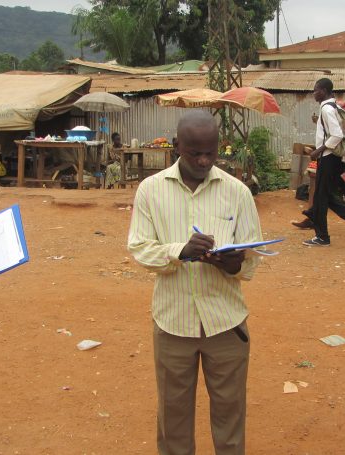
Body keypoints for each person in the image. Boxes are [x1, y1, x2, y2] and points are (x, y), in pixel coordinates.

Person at [128, 111, 263, 455]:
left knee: (230, 415)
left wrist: (233, 264)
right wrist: (180, 251)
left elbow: (252, 258)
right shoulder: (150, 191)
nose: (203, 160)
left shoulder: (237, 192)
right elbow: (140, 248)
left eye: (210, 152)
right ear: (177, 146)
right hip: (173, 323)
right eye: (194, 153)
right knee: (172, 417)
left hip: (226, 323)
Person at [301, 78, 345, 246]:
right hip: (341, 159)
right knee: (343, 193)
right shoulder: (337, 108)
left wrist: (318, 151)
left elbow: (337, 135)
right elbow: (344, 134)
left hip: (328, 158)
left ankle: (322, 236)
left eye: (316, 90)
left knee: (321, 196)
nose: (314, 93)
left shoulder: (326, 109)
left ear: (324, 91)